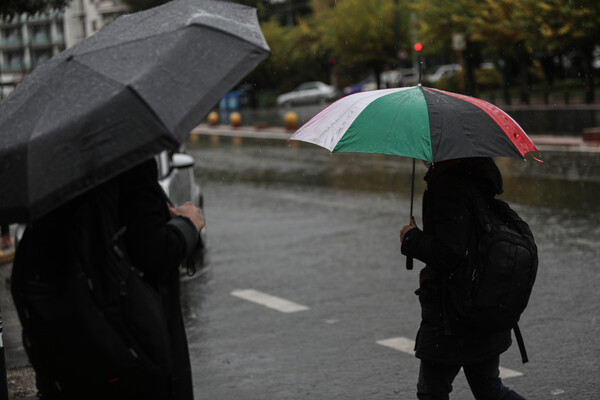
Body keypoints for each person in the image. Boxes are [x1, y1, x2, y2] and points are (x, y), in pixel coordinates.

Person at [11, 158, 204, 400]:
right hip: (126, 339)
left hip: (67, 338)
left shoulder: (47, 165)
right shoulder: (128, 157)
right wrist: (187, 225)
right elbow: (153, 252)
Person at [400, 157, 526, 400]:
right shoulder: (477, 175)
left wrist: (411, 237)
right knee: (489, 389)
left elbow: (450, 253)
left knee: (432, 391)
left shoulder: (448, 184)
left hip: (453, 312)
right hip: (482, 300)